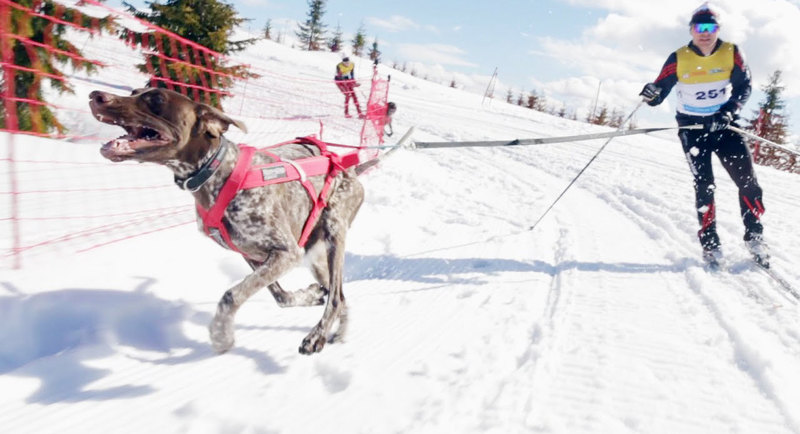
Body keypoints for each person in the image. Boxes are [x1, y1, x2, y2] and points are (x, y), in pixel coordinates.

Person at [639, 3, 769, 267]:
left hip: (723, 125)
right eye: (699, 27)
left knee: (748, 182)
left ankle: (754, 235)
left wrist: (729, 110)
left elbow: (744, 87)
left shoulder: (732, 52)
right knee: (704, 185)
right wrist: (651, 94)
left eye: (710, 27)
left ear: (718, 29)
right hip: (692, 128)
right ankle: (710, 244)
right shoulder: (679, 57)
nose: (705, 33)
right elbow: (660, 90)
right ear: (691, 30)